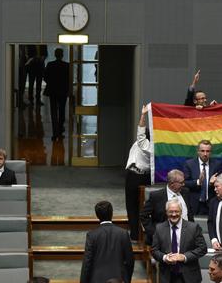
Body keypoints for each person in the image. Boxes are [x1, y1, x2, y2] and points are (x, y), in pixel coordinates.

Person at [151, 199, 207, 283]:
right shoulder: (159, 228)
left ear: (181, 212)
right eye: (171, 212)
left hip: (189, 276)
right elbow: (154, 250)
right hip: (167, 276)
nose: (174, 214)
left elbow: (202, 248)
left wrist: (184, 257)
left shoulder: (193, 228)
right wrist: (165, 257)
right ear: (166, 212)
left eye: (176, 211)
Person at [80, 200, 134, 283]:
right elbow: (130, 260)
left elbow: (87, 262)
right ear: (112, 213)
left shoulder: (92, 235)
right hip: (119, 279)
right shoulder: (123, 233)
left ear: (97, 215)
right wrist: (127, 280)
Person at [141, 169, 193, 244]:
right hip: (163, 240)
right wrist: (154, 233)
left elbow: (189, 214)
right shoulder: (156, 196)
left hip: (185, 238)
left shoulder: (185, 192)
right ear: (172, 183)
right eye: (181, 183)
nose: (183, 184)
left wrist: (192, 231)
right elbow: (143, 215)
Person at [125, 105, 152, 241]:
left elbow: (141, 130)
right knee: (139, 206)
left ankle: (136, 234)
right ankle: (136, 233)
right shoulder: (141, 144)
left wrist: (143, 115)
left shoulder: (146, 145)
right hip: (142, 175)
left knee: (132, 205)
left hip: (136, 176)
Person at [183, 140, 221, 215]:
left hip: (211, 203)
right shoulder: (189, 164)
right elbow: (184, 183)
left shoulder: (216, 164)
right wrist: (198, 182)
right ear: (198, 151)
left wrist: (212, 183)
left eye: (208, 151)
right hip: (194, 203)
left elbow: (220, 184)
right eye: (202, 151)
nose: (205, 154)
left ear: (211, 152)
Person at [43, 48, 70, 141]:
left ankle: (55, 132)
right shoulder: (67, 66)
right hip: (63, 91)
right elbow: (69, 80)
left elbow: (45, 77)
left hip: (53, 91)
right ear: (62, 55)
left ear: (55, 55)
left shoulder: (50, 65)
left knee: (53, 111)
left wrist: (51, 83)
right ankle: (60, 128)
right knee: (62, 110)